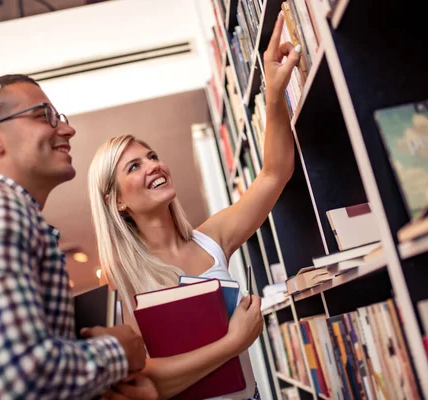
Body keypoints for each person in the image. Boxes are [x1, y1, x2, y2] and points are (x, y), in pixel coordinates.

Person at [86, 13, 300, 400]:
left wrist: (272, 93)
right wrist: (234, 343)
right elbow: (147, 378)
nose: (154, 165)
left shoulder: (211, 239)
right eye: (135, 166)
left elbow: (275, 174)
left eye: (152, 156)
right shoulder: (122, 280)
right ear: (117, 201)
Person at [0, 74, 157, 399]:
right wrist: (118, 351)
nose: (67, 130)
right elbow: (13, 378)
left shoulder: (8, 214)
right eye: (45, 116)